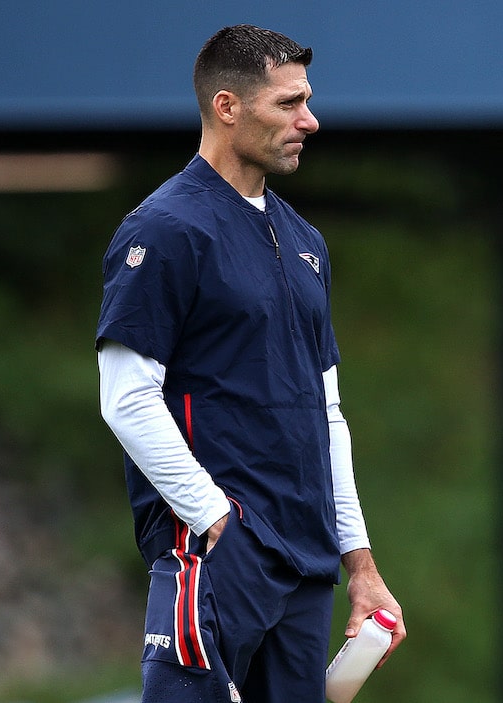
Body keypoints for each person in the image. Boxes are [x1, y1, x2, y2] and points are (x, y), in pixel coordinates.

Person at [97, 24, 403, 702]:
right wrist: (216, 520)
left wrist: (361, 565)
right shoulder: (164, 229)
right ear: (228, 106)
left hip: (307, 563)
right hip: (216, 553)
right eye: (288, 103)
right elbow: (125, 398)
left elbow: (326, 415)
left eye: (307, 100)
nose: (310, 120)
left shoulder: (306, 242)